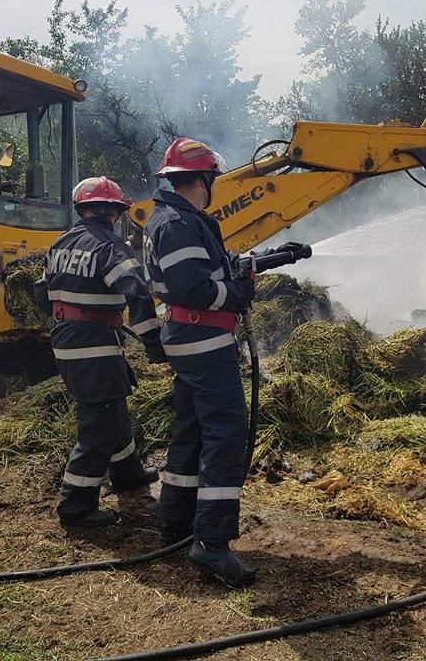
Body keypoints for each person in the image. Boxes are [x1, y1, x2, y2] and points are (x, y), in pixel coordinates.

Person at [143, 137, 257, 587]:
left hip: (189, 337)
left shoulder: (175, 219)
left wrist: (247, 268)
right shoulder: (176, 223)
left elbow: (203, 272)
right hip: (202, 338)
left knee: (190, 429)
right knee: (226, 430)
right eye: (212, 179)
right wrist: (238, 293)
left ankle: (176, 520)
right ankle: (210, 543)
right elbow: (193, 287)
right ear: (202, 179)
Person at [38, 176, 166, 526]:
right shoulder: (109, 246)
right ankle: (76, 505)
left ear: (82, 209)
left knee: (112, 404)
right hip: (93, 346)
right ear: (115, 211)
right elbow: (138, 295)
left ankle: (128, 473)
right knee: (98, 425)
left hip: (66, 340)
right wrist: (155, 343)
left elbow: (40, 291)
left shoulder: (60, 243)